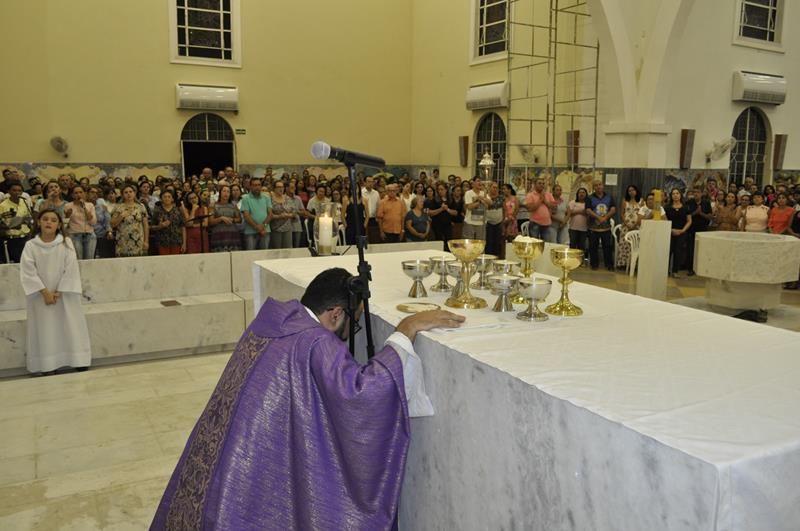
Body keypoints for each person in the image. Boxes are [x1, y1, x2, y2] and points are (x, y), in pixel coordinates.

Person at [151, 268, 465, 530]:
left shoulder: (274, 322)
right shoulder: (315, 342)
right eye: (352, 320)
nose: (350, 330)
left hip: (222, 466)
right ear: (336, 313)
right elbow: (363, 392)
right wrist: (405, 331)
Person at [19, 209, 91, 375]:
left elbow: (71, 267)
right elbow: (28, 271)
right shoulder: (31, 246)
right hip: (40, 296)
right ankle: (47, 363)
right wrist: (45, 292)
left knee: (71, 326)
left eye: (53, 220)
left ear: (59, 225)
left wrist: (59, 291)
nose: (49, 222)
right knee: (46, 329)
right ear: (39, 222)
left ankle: (78, 359)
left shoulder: (66, 243)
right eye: (45, 219)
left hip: (64, 294)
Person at [0, 181, 35, 263]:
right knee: (17, 262)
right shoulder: (2, 206)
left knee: (29, 261)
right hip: (12, 239)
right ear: (9, 191)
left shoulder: (25, 202)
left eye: (19, 190)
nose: (17, 193)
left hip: (26, 237)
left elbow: (29, 217)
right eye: (14, 190)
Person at [585, 180, 616, 271]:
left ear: (603, 186)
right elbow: (588, 210)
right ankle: (594, 264)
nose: (598, 187)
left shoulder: (609, 197)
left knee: (608, 247)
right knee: (593, 247)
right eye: (596, 185)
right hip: (593, 227)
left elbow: (613, 209)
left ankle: (609, 265)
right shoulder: (589, 198)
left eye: (600, 184)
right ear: (593, 188)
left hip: (606, 227)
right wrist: (598, 218)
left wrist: (604, 218)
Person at [111, 184, 149, 257]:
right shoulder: (118, 207)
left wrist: (146, 241)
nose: (129, 194)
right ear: (122, 195)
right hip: (123, 243)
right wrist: (121, 216)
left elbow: (145, 225)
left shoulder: (141, 206)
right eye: (126, 192)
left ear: (134, 193)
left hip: (138, 241)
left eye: (130, 192)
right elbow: (112, 224)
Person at [64, 185, 97, 260]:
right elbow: (64, 224)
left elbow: (93, 222)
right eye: (76, 193)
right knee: (79, 260)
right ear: (72, 195)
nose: (78, 195)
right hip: (75, 235)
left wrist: (84, 207)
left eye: (81, 192)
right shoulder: (67, 206)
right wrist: (67, 216)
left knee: (89, 260)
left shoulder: (90, 205)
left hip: (89, 235)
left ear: (85, 194)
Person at [684, 188, 712, 275]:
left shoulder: (706, 203)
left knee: (702, 249)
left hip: (703, 229)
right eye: (694, 192)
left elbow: (710, 216)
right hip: (691, 229)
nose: (696, 194)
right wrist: (695, 213)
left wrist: (701, 213)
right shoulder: (689, 203)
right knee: (691, 249)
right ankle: (690, 268)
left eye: (698, 192)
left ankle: (701, 268)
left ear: (702, 193)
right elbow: (686, 216)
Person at [665, 188, 692, 277]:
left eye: (677, 193)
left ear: (680, 195)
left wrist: (683, 230)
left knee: (678, 252)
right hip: (669, 232)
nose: (675, 195)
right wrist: (670, 230)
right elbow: (665, 220)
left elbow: (689, 221)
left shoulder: (686, 207)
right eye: (673, 194)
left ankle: (675, 271)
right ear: (671, 196)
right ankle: (665, 270)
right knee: (668, 251)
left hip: (682, 232)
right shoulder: (667, 207)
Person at [240, 177, 272, 250]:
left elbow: (270, 214)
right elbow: (246, 216)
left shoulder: (266, 197)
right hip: (250, 232)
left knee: (264, 255)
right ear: (250, 186)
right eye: (254, 185)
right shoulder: (245, 198)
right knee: (251, 255)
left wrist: (263, 226)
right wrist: (257, 227)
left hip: (265, 230)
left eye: (259, 185)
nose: (257, 187)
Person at [208, 185, 242, 252]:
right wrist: (221, 218)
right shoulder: (213, 205)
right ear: (220, 193)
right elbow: (210, 221)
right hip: (218, 235)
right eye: (224, 191)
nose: (226, 193)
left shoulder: (234, 206)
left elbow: (239, 219)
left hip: (232, 235)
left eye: (228, 192)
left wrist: (232, 219)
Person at [151, 190, 186, 255]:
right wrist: (160, 226)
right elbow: (152, 227)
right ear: (161, 199)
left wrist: (184, 243)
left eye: (169, 196)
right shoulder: (157, 211)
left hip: (177, 241)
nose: (167, 198)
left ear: (172, 199)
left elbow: (183, 226)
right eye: (165, 197)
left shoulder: (178, 210)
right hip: (162, 242)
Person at [616, 184, 642, 269]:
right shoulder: (625, 201)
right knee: (625, 244)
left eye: (633, 190)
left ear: (636, 191)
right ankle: (623, 263)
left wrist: (635, 224)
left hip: (637, 226)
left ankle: (633, 264)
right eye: (629, 191)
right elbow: (622, 214)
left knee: (634, 245)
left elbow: (642, 214)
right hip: (626, 226)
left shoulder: (641, 201)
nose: (631, 192)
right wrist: (626, 223)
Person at [88, 186, 114, 258]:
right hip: (88, 235)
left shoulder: (102, 206)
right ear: (86, 194)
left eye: (96, 193)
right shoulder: (84, 206)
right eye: (92, 192)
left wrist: (109, 231)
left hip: (101, 234)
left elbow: (107, 219)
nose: (95, 194)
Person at [269, 181, 294, 249]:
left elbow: (294, 212)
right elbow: (269, 214)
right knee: (276, 250)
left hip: (287, 227)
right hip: (275, 228)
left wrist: (288, 215)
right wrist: (279, 216)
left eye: (282, 187)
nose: (281, 189)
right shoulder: (270, 199)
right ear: (274, 188)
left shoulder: (287, 198)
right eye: (278, 187)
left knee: (287, 249)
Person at [484, 181, 505, 257]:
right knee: (489, 243)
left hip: (498, 222)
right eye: (494, 187)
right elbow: (487, 206)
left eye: (497, 188)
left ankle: (496, 258)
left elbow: (498, 206)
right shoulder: (485, 197)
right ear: (489, 188)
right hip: (488, 223)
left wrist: (503, 221)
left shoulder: (501, 198)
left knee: (497, 243)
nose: (495, 189)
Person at [567, 188, 588, 254]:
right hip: (573, 228)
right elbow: (569, 213)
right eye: (580, 192)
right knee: (572, 245)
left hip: (584, 229)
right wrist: (581, 211)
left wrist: (575, 211)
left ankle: (580, 259)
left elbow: (588, 212)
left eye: (583, 192)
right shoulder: (572, 202)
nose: (581, 194)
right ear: (577, 194)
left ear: (586, 194)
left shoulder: (588, 203)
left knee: (581, 246)